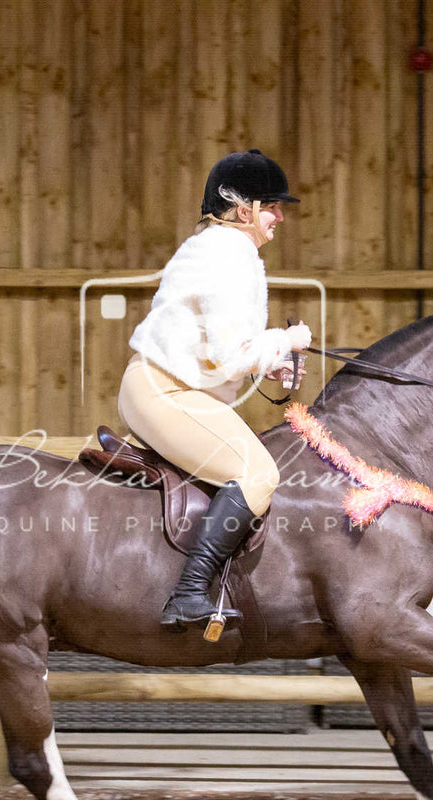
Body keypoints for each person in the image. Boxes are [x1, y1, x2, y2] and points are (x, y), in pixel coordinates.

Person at [118, 149, 313, 631]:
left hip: (171, 387)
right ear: (242, 208)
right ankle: (188, 593)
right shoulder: (231, 252)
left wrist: (269, 366)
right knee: (258, 474)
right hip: (167, 392)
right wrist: (285, 340)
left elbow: (218, 351)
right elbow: (228, 356)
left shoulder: (219, 246)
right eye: (272, 206)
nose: (280, 216)